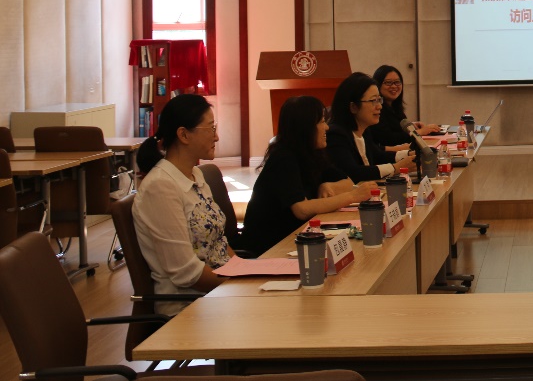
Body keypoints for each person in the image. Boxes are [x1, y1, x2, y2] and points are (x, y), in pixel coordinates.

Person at [132, 94, 232, 313]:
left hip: (220, 295)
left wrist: (249, 271)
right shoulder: (160, 187)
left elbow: (219, 243)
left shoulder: (195, 174)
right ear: (184, 135)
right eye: (211, 128)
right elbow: (188, 274)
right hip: (189, 309)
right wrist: (239, 284)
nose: (216, 137)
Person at [241, 96, 375, 256]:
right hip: (269, 247)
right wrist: (353, 196)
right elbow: (302, 209)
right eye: (321, 122)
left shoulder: (312, 153)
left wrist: (329, 186)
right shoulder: (283, 158)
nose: (327, 127)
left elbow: (348, 182)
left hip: (298, 236)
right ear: (305, 128)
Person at [326, 72, 416, 182]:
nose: (379, 106)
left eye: (379, 100)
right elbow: (352, 173)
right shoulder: (335, 135)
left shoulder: (364, 130)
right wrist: (396, 168)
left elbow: (377, 155)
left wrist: (409, 154)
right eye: (373, 101)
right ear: (353, 107)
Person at [365, 65, 440, 157]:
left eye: (397, 82)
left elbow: (396, 129)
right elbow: (387, 139)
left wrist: (411, 126)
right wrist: (419, 133)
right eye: (388, 83)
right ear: (378, 84)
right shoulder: (377, 110)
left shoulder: (395, 107)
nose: (394, 86)